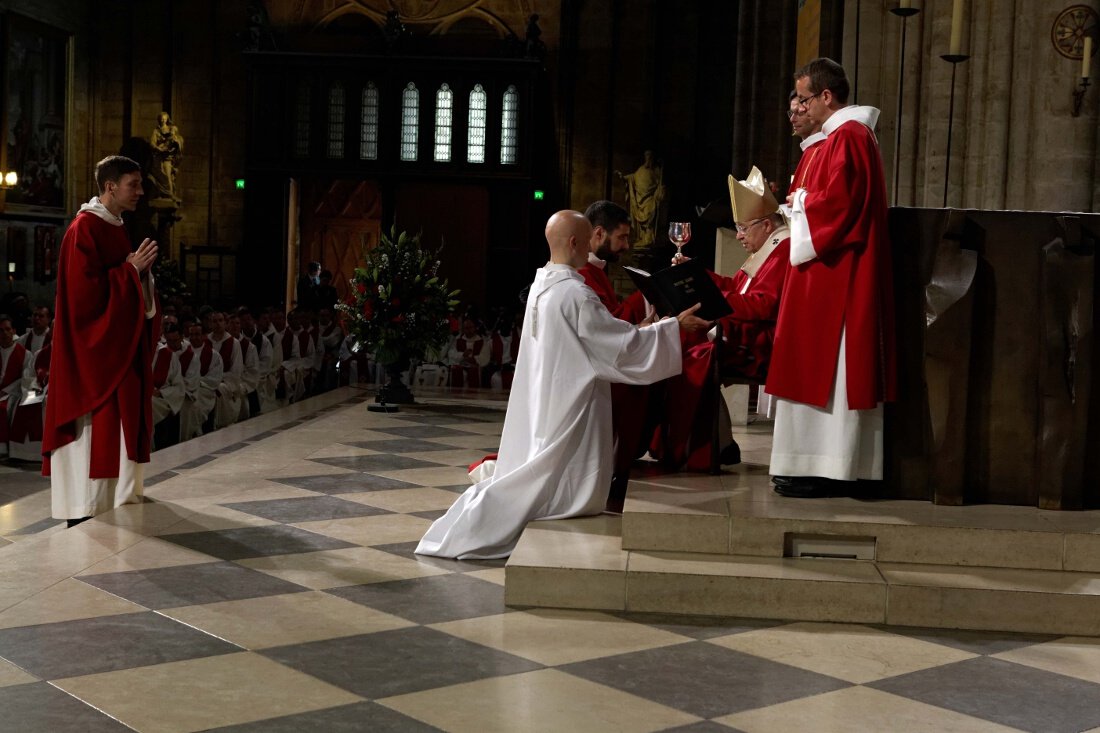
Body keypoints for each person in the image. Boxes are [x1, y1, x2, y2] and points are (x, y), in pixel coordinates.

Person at [416, 210, 708, 560]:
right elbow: (622, 350)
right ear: (574, 242)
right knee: (559, 480)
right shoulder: (575, 295)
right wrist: (674, 327)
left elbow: (603, 340)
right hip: (572, 401)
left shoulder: (544, 284)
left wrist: (647, 328)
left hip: (548, 396)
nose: (590, 249)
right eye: (586, 241)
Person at [768, 58, 897, 497]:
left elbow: (837, 208)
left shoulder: (850, 137)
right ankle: (811, 463)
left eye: (803, 98)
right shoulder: (835, 140)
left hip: (839, 276)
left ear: (826, 96)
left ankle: (833, 467)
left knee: (836, 367)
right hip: (826, 272)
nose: (798, 107)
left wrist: (797, 205)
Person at [43, 155, 159, 526]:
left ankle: (117, 500)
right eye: (133, 184)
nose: (140, 192)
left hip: (117, 349)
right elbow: (82, 299)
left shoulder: (115, 225)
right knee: (96, 433)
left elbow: (124, 277)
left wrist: (138, 277)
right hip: (91, 356)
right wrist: (130, 271)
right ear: (110, 186)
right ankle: (86, 507)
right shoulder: (83, 229)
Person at [655, 167, 791, 470]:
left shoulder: (783, 250)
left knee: (685, 349)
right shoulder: (767, 248)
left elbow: (765, 306)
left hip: (761, 343)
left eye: (743, 228)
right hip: (745, 331)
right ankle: (714, 441)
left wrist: (711, 301)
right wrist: (699, 274)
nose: (739, 235)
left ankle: (703, 444)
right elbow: (736, 287)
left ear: (767, 225)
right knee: (678, 340)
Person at [616, 150, 665, 249]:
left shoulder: (656, 170)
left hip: (650, 200)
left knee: (649, 218)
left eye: (650, 157)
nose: (648, 159)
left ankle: (649, 239)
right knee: (642, 222)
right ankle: (643, 238)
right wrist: (623, 177)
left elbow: (661, 183)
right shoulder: (641, 170)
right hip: (640, 200)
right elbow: (632, 178)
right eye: (647, 157)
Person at [151, 323, 184, 449]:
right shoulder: (135, 353)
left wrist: (160, 393)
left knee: (146, 405)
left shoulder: (168, 355)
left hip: (161, 400)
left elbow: (178, 387)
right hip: (139, 397)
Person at [0, 316, 29, 460]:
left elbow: (24, 377)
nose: (4, 333)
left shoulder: (25, 354)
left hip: (12, 392)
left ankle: (2, 448)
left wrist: (5, 390)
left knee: (2, 408)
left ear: (14, 331)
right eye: (1, 330)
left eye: (7, 329)